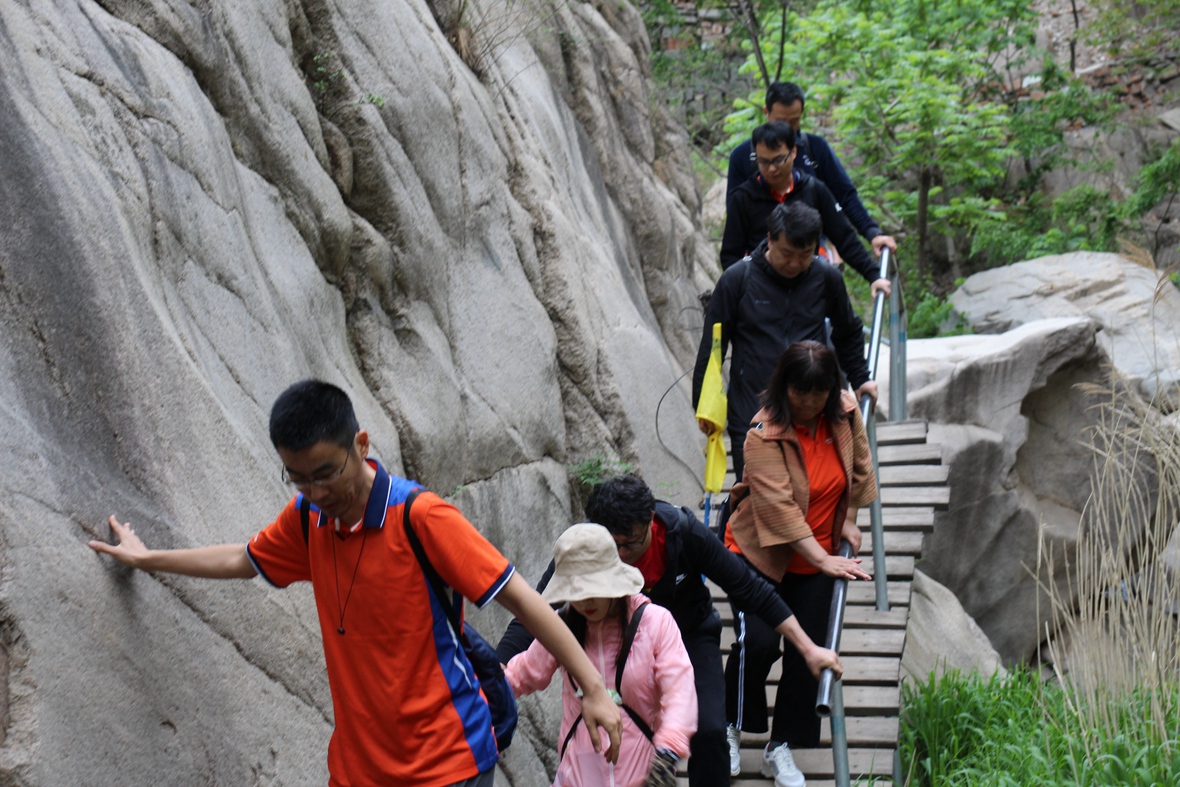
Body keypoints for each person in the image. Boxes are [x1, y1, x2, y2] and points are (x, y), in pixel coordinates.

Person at [88, 379, 623, 787]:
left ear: (360, 445)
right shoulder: (308, 519)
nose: (316, 491)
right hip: (358, 768)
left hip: (446, 762)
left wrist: (594, 689)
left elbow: (523, 600)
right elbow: (243, 559)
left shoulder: (421, 518)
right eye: (298, 478)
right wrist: (148, 558)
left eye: (325, 473)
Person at [498, 474, 842, 785]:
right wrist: (495, 670)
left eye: (631, 544)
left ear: (650, 520)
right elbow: (534, 613)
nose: (622, 556)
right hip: (612, 638)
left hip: (689, 633)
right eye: (613, 546)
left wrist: (808, 648)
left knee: (708, 730)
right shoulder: (589, 550)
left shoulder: (683, 532)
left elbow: (749, 588)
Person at [723, 342, 878, 787]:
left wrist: (848, 521)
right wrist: (824, 558)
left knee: (809, 652)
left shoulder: (844, 414)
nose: (809, 402)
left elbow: (860, 470)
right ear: (783, 386)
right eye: (800, 391)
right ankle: (731, 727)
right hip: (757, 554)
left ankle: (781, 746)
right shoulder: (763, 433)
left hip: (817, 559)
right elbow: (780, 510)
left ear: (832, 389)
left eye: (818, 392)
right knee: (758, 643)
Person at [692, 201, 876, 482]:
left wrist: (861, 378)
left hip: (812, 411)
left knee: (814, 493)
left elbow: (847, 331)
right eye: (787, 253)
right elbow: (713, 346)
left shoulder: (825, 277)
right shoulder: (738, 279)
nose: (794, 263)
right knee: (756, 495)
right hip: (753, 411)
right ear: (770, 239)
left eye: (805, 255)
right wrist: (703, 406)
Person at [505, 523, 697, 787]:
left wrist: (668, 751)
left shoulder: (654, 623)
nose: (585, 601)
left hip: (643, 777)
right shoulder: (562, 626)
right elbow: (521, 674)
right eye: (576, 591)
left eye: (593, 588)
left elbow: (679, 691)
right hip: (576, 778)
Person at [719, 121, 890, 301]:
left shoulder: (814, 190)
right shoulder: (744, 198)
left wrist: (873, 276)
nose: (771, 168)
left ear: (793, 152)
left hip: (809, 288)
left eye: (778, 160)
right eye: (763, 162)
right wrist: (744, 292)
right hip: (761, 292)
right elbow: (731, 254)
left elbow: (844, 237)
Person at [727, 81, 897, 261]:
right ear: (766, 112)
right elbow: (734, 216)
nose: (788, 128)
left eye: (794, 121)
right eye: (781, 121)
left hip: (810, 252)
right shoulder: (743, 156)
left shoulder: (815, 149)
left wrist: (872, 232)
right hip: (760, 256)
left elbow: (845, 195)